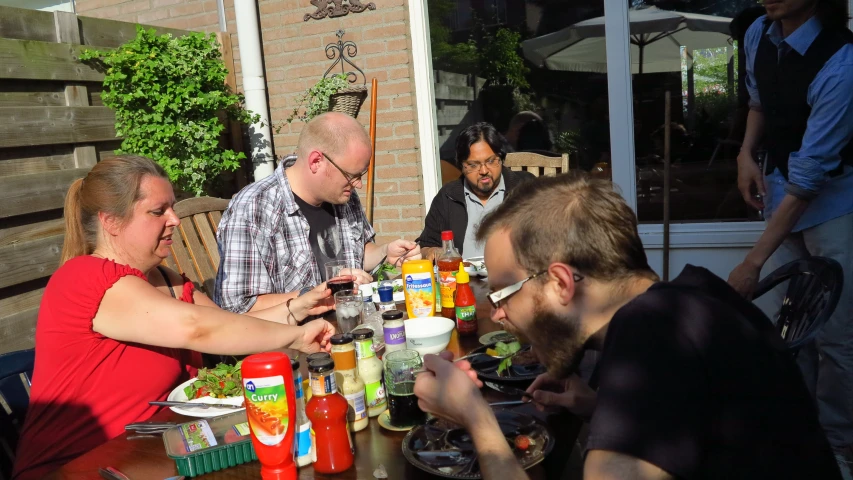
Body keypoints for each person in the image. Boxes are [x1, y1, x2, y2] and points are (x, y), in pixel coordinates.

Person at [414, 173, 840, 480]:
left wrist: (475, 418)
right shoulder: (694, 296)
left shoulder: (652, 337)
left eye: (504, 294)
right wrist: (598, 407)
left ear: (561, 283)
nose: (499, 314)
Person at [12, 155, 335, 480]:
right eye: (158, 211)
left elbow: (225, 326)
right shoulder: (85, 278)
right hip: (77, 468)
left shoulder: (166, 280)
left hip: (150, 456)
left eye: (172, 207)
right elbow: (195, 329)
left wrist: (299, 308)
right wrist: (294, 337)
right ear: (110, 221)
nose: (175, 219)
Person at [728, 0, 853, 468]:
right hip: (780, 188)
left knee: (836, 334)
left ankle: (839, 445)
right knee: (788, 325)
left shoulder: (843, 62)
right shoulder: (759, 32)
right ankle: (798, 428)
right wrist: (746, 153)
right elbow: (758, 101)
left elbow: (810, 178)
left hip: (833, 205)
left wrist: (753, 262)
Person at [215, 112, 420, 314]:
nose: (358, 183)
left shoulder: (343, 195)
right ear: (316, 161)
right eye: (351, 175)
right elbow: (238, 306)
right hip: (295, 338)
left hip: (350, 320)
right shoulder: (254, 207)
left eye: (361, 174)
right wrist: (317, 294)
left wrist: (385, 252)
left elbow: (358, 251)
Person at [418, 123, 534, 260]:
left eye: (491, 161)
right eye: (473, 165)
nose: (484, 171)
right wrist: (433, 252)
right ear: (461, 165)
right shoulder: (448, 196)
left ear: (501, 158)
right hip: (463, 278)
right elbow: (426, 245)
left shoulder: (526, 188)